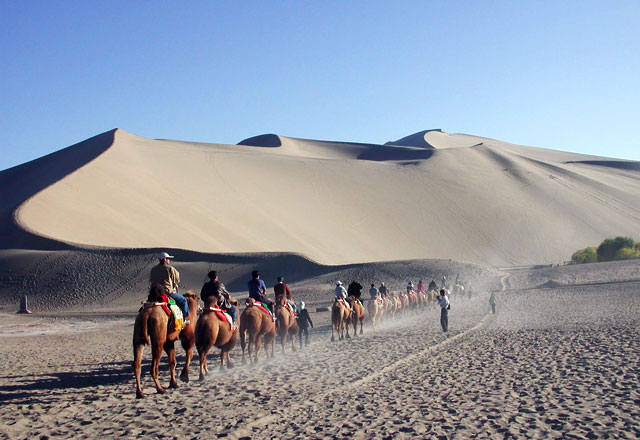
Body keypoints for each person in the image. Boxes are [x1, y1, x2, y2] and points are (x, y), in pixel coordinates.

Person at [150, 252, 190, 324]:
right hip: (167, 293)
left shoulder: (153, 269)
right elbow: (177, 280)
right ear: (164, 259)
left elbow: (151, 280)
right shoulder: (170, 268)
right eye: (168, 259)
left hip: (154, 294)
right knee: (183, 300)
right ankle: (185, 319)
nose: (169, 261)